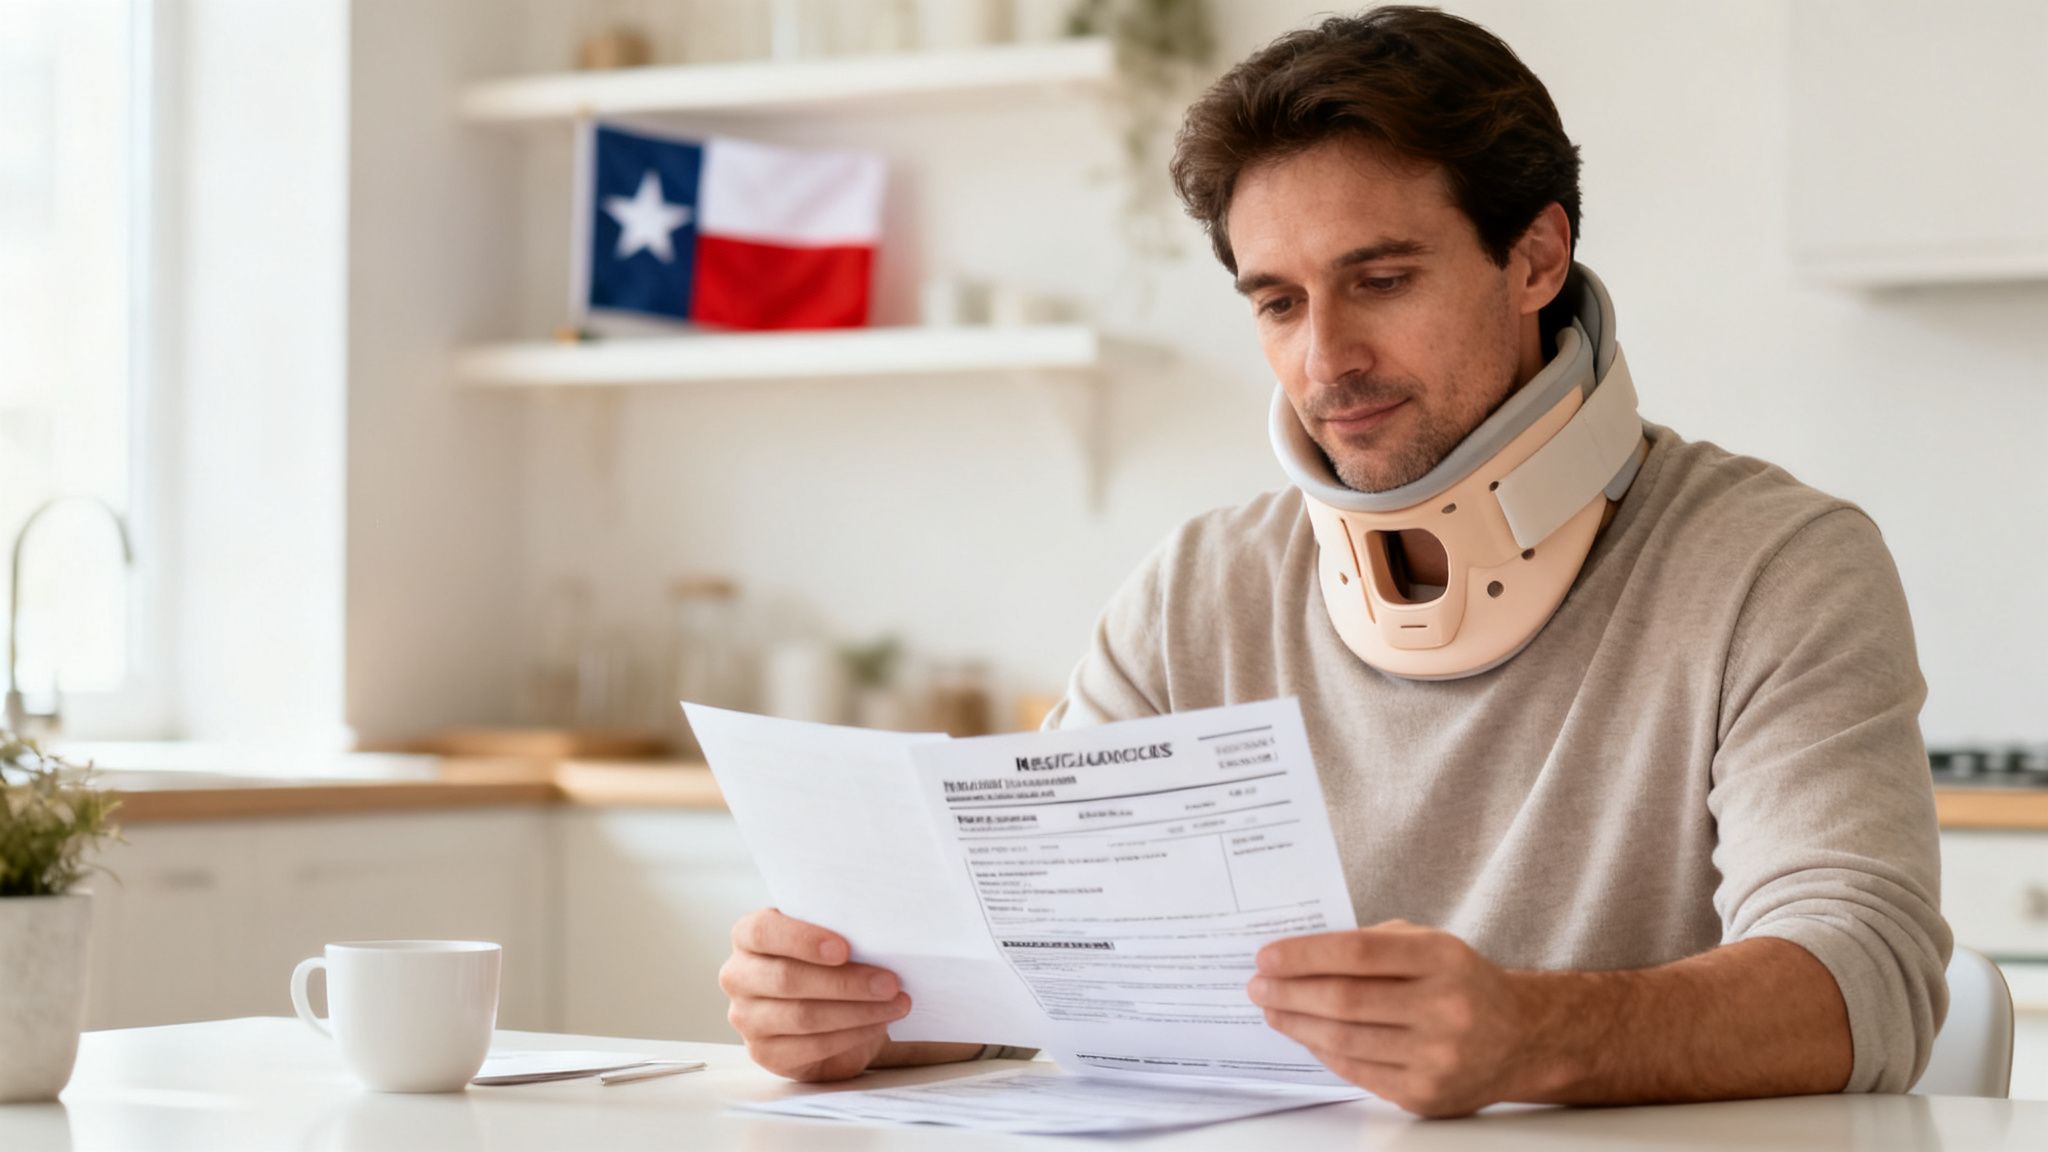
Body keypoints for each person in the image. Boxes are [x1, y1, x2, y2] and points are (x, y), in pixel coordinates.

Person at [716, 7, 1949, 1117]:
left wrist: (1529, 1035)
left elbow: (1864, 975)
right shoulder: (1195, 592)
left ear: (1533, 257)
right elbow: (1046, 961)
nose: (1324, 361)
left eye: (1381, 279)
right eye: (1278, 303)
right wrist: (873, 1017)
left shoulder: (1775, 565)